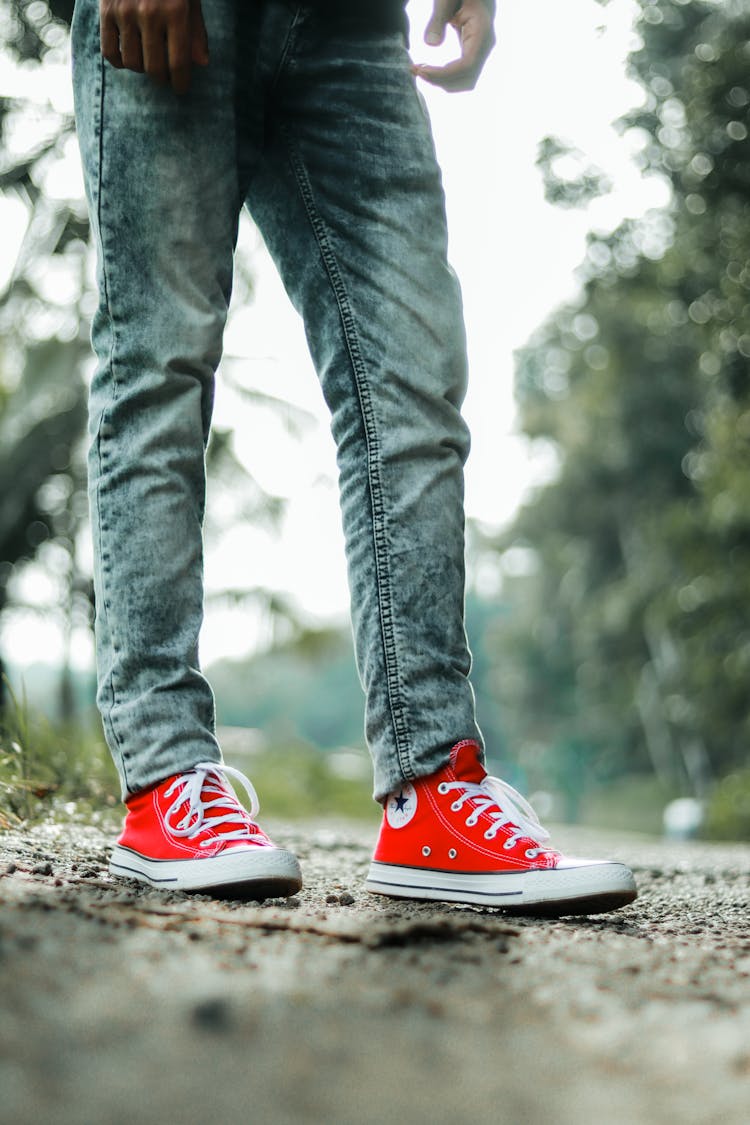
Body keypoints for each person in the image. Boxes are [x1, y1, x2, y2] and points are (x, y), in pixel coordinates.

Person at [71, 0, 637, 914]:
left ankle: (433, 792)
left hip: (353, 22)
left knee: (412, 375)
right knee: (160, 362)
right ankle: (164, 778)